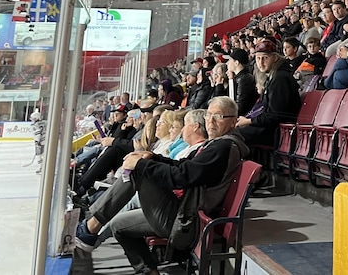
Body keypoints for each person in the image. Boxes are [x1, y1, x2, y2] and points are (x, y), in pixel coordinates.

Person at [73, 97, 248, 275]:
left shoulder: (223, 147)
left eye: (218, 116)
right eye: (209, 115)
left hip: (187, 221)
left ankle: (91, 227)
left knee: (139, 171)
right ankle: (148, 272)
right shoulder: (219, 144)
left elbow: (182, 177)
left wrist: (141, 164)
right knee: (118, 225)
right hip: (183, 213)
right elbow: (183, 166)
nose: (210, 120)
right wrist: (153, 157)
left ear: (233, 121)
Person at [238, 39, 302, 146]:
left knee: (234, 135)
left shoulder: (280, 79)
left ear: (275, 58)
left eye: (265, 58)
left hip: (278, 131)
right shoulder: (274, 76)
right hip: (271, 127)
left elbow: (274, 116)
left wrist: (249, 121)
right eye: (258, 58)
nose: (260, 62)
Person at [224, 48, 256, 116]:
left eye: (230, 60)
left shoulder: (244, 79)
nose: (227, 63)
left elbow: (240, 107)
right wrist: (231, 80)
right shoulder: (238, 77)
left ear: (236, 63)